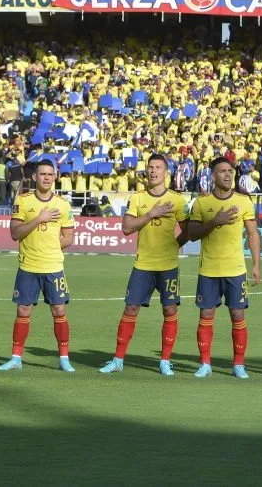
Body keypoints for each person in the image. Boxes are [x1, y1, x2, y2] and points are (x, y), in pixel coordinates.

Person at [100, 153, 189, 376]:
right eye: (150, 167)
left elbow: (189, 231)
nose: (153, 171)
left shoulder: (178, 200)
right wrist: (151, 214)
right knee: (131, 308)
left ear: (166, 173)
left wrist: (174, 245)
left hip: (168, 266)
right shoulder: (138, 198)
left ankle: (165, 361)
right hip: (143, 264)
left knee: (170, 309)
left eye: (158, 167)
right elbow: (127, 227)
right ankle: (118, 359)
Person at [186, 157, 261, 379]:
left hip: (236, 270)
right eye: (222, 171)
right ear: (213, 176)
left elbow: (253, 233)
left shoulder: (244, 201)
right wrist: (215, 221)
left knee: (237, 315)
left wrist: (256, 264)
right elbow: (192, 234)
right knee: (206, 314)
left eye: (230, 171)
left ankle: (238, 364)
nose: (228, 175)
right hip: (209, 270)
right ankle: (205, 363)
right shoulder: (201, 203)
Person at [0, 160, 75, 372]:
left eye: (50, 174)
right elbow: (15, 233)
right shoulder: (23, 201)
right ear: (35, 177)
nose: (47, 178)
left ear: (55, 177)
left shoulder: (63, 204)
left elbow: (68, 238)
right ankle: (16, 358)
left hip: (53, 266)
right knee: (23, 311)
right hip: (28, 266)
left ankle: (64, 358)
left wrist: (49, 248)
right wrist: (39, 219)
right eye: (43, 174)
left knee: (59, 310)